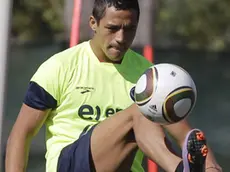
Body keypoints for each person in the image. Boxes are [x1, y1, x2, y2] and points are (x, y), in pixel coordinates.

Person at [5, 0, 222, 172]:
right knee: (141, 110)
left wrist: (212, 167)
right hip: (72, 165)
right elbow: (22, 134)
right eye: (113, 28)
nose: (121, 37)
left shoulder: (147, 74)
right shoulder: (60, 66)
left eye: (129, 29)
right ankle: (180, 169)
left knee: (146, 108)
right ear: (93, 23)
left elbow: (186, 134)